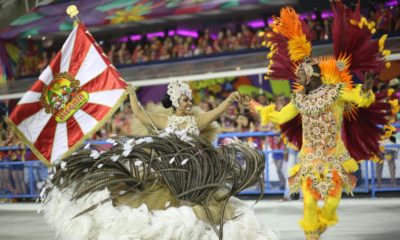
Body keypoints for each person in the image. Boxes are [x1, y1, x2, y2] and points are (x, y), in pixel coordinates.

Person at [41, 80, 279, 240]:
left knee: (205, 215)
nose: (189, 103)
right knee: (169, 215)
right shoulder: (167, 122)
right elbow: (139, 115)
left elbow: (215, 113)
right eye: (185, 100)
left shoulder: (196, 122)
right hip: (169, 178)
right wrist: (131, 95)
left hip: (196, 177)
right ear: (175, 103)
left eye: (189, 99)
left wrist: (229, 101)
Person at [250, 2, 396, 239]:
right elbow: (279, 116)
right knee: (308, 204)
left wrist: (367, 87)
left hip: (333, 157)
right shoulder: (299, 100)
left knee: (331, 203)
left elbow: (360, 99)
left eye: (300, 74)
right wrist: (258, 108)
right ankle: (311, 236)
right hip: (309, 158)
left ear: (311, 75)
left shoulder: (336, 92)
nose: (297, 76)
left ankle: (324, 222)